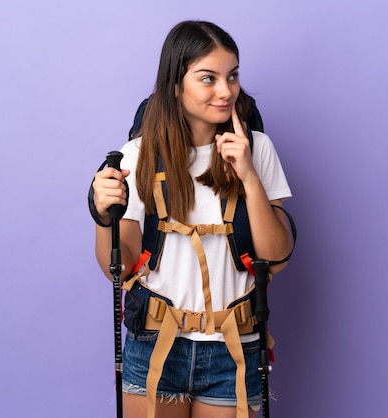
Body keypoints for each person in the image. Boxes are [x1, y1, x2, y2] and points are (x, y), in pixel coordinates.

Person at [91, 20, 292, 418]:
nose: (226, 91)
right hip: (155, 343)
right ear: (176, 85)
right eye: (208, 78)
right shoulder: (138, 153)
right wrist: (102, 216)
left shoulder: (257, 148)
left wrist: (248, 174)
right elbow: (121, 265)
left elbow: (277, 258)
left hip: (233, 344)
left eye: (232, 76)